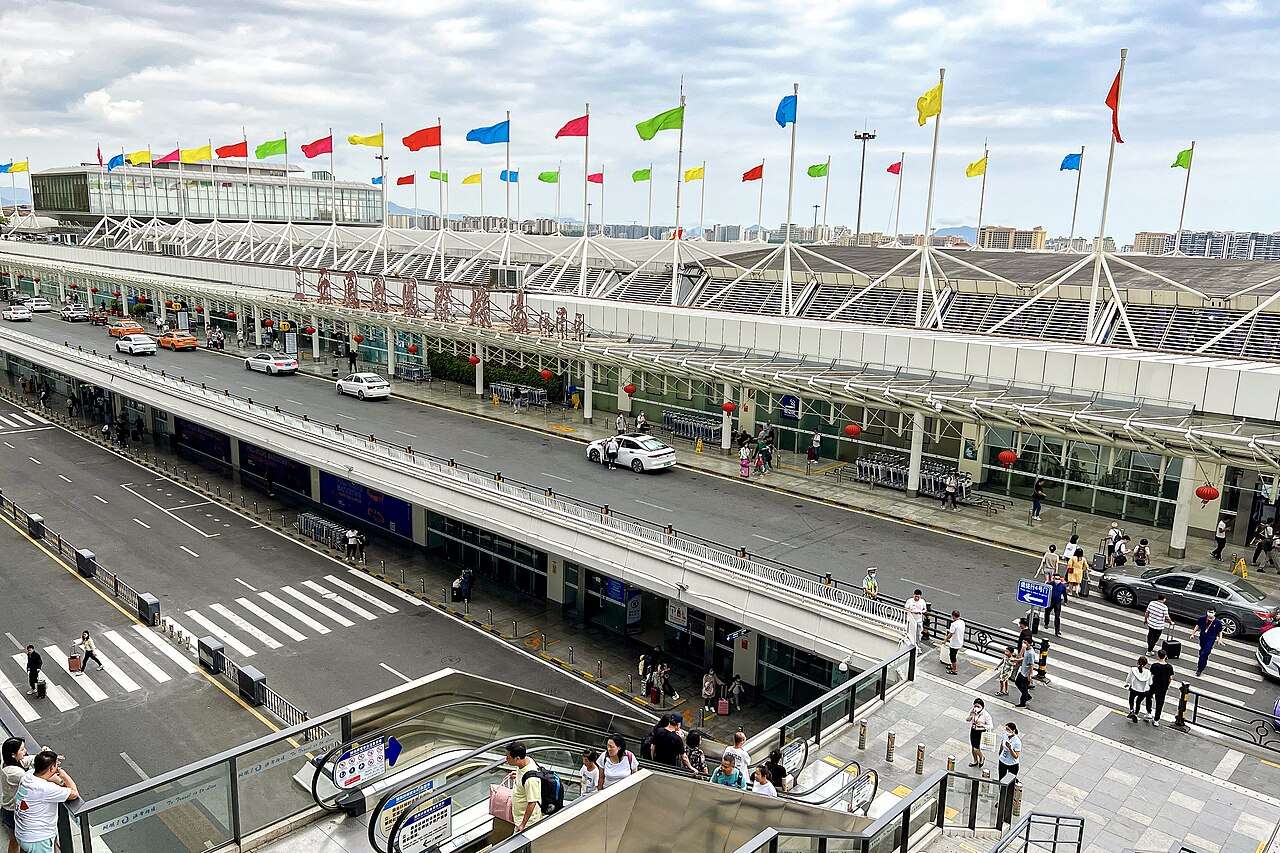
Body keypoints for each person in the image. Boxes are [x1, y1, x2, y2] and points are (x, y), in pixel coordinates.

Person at [13, 748, 78, 853]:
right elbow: (74, 794)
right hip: (38, 840)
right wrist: (63, 774)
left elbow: (49, 778)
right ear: (52, 768)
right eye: (56, 765)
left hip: (22, 833)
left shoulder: (27, 776)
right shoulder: (45, 789)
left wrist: (55, 775)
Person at [3, 738, 34, 853]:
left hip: (9, 809)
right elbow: (33, 780)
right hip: (14, 811)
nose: (25, 751)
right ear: (13, 754)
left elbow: (28, 759)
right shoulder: (15, 773)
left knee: (15, 840)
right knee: (21, 841)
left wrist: (42, 755)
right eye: (22, 749)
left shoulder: (10, 764)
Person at [504, 742, 543, 833]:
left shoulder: (531, 780)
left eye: (508, 757)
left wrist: (523, 824)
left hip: (528, 822)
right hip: (518, 817)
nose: (506, 759)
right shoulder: (526, 760)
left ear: (517, 758)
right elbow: (523, 774)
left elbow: (532, 802)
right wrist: (517, 776)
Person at [1190, 609, 1224, 677]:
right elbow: (1197, 626)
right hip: (1202, 637)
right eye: (1209, 612)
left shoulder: (1218, 622)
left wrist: (1220, 639)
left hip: (1211, 639)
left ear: (1214, 613)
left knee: (1204, 653)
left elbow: (1220, 631)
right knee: (1202, 651)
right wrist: (1193, 634)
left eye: (1211, 612)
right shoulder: (1202, 619)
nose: (1210, 613)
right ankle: (1203, 660)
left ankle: (1200, 669)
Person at [1147, 649, 1175, 727]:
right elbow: (1170, 678)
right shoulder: (1169, 667)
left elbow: (1151, 676)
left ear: (1158, 656)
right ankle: (1156, 720)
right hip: (1163, 687)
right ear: (1165, 656)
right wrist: (1167, 685)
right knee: (1160, 703)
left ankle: (1149, 712)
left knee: (1149, 697)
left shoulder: (1154, 665)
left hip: (1154, 685)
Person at [966, 697, 993, 768]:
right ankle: (975, 760)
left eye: (978, 706)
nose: (976, 708)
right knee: (972, 747)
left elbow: (991, 726)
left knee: (976, 748)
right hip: (973, 730)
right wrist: (971, 715)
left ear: (982, 707)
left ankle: (982, 757)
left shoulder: (986, 715)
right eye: (975, 706)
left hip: (980, 732)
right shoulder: (972, 711)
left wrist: (982, 725)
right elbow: (967, 719)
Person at [1125, 655, 1152, 721]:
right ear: (1146, 664)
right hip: (1143, 691)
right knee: (1138, 702)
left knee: (1131, 699)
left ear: (1138, 662)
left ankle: (1131, 710)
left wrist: (1127, 684)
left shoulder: (1133, 670)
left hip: (1134, 688)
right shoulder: (1148, 672)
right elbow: (1150, 683)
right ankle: (1136, 714)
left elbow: (1129, 678)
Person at [1014, 640, 1035, 708]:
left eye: (1026, 643)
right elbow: (1024, 658)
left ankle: (1023, 702)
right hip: (1022, 671)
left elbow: (1031, 664)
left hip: (1026, 674)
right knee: (1017, 682)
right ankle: (1027, 696)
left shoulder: (1031, 653)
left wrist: (1030, 675)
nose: (1024, 644)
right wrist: (1017, 660)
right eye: (1023, 642)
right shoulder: (1026, 650)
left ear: (1029, 644)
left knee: (1024, 688)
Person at [944, 610, 965, 675]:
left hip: (954, 643)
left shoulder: (954, 624)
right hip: (960, 642)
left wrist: (945, 640)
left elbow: (950, 634)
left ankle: (954, 670)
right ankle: (952, 666)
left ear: (953, 616)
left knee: (952, 657)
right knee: (954, 654)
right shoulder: (962, 622)